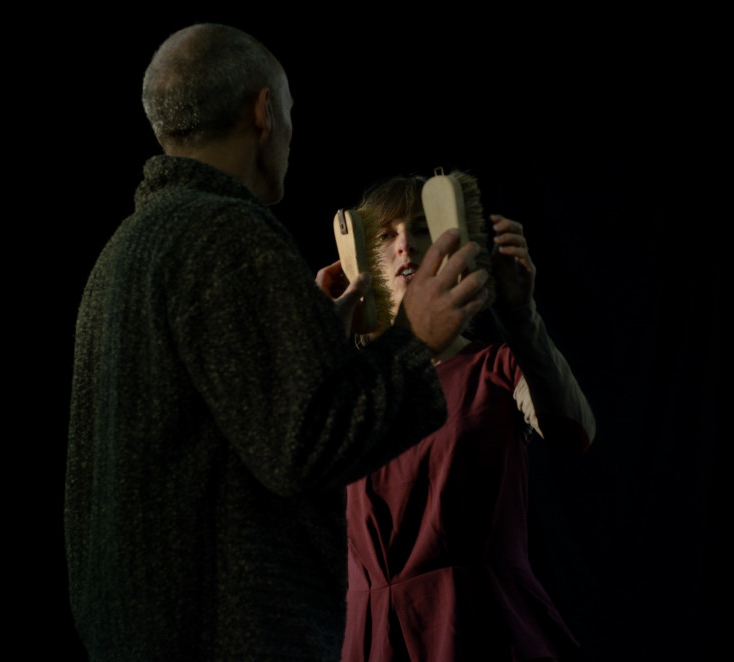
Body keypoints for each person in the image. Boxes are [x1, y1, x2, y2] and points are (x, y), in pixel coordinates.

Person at [64, 25, 490, 661]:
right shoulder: (229, 234)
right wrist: (412, 338)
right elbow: (304, 448)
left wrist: (311, 340)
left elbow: (220, 427)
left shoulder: (122, 254)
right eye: (290, 111)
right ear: (264, 111)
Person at [339, 173, 597, 662]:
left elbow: (573, 430)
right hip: (373, 638)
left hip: (479, 625)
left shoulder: (496, 367)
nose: (404, 245)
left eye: (420, 228)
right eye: (387, 234)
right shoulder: (352, 394)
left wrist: (521, 315)